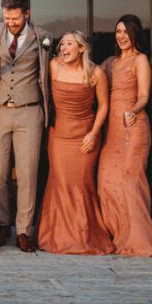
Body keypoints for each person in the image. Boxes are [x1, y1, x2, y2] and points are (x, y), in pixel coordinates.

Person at [0, 0, 53, 252]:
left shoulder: (43, 36)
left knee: (27, 173)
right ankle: (2, 223)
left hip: (29, 111)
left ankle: (24, 230)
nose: (10, 22)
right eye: (6, 17)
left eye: (15, 18)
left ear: (27, 14)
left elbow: (47, 73)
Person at [37, 31, 114, 255]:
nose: (63, 47)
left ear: (81, 48)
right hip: (58, 137)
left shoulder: (96, 72)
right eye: (61, 44)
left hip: (85, 137)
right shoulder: (53, 66)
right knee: (60, 184)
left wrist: (93, 133)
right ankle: (57, 237)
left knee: (81, 185)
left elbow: (104, 106)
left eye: (69, 44)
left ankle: (83, 237)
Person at [98, 14, 152, 257]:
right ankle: (118, 235)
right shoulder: (110, 62)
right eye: (117, 32)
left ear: (135, 34)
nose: (121, 36)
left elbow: (144, 95)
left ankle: (139, 240)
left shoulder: (140, 60)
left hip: (132, 127)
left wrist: (133, 110)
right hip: (111, 130)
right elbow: (91, 74)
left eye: (125, 32)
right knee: (106, 182)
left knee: (129, 183)